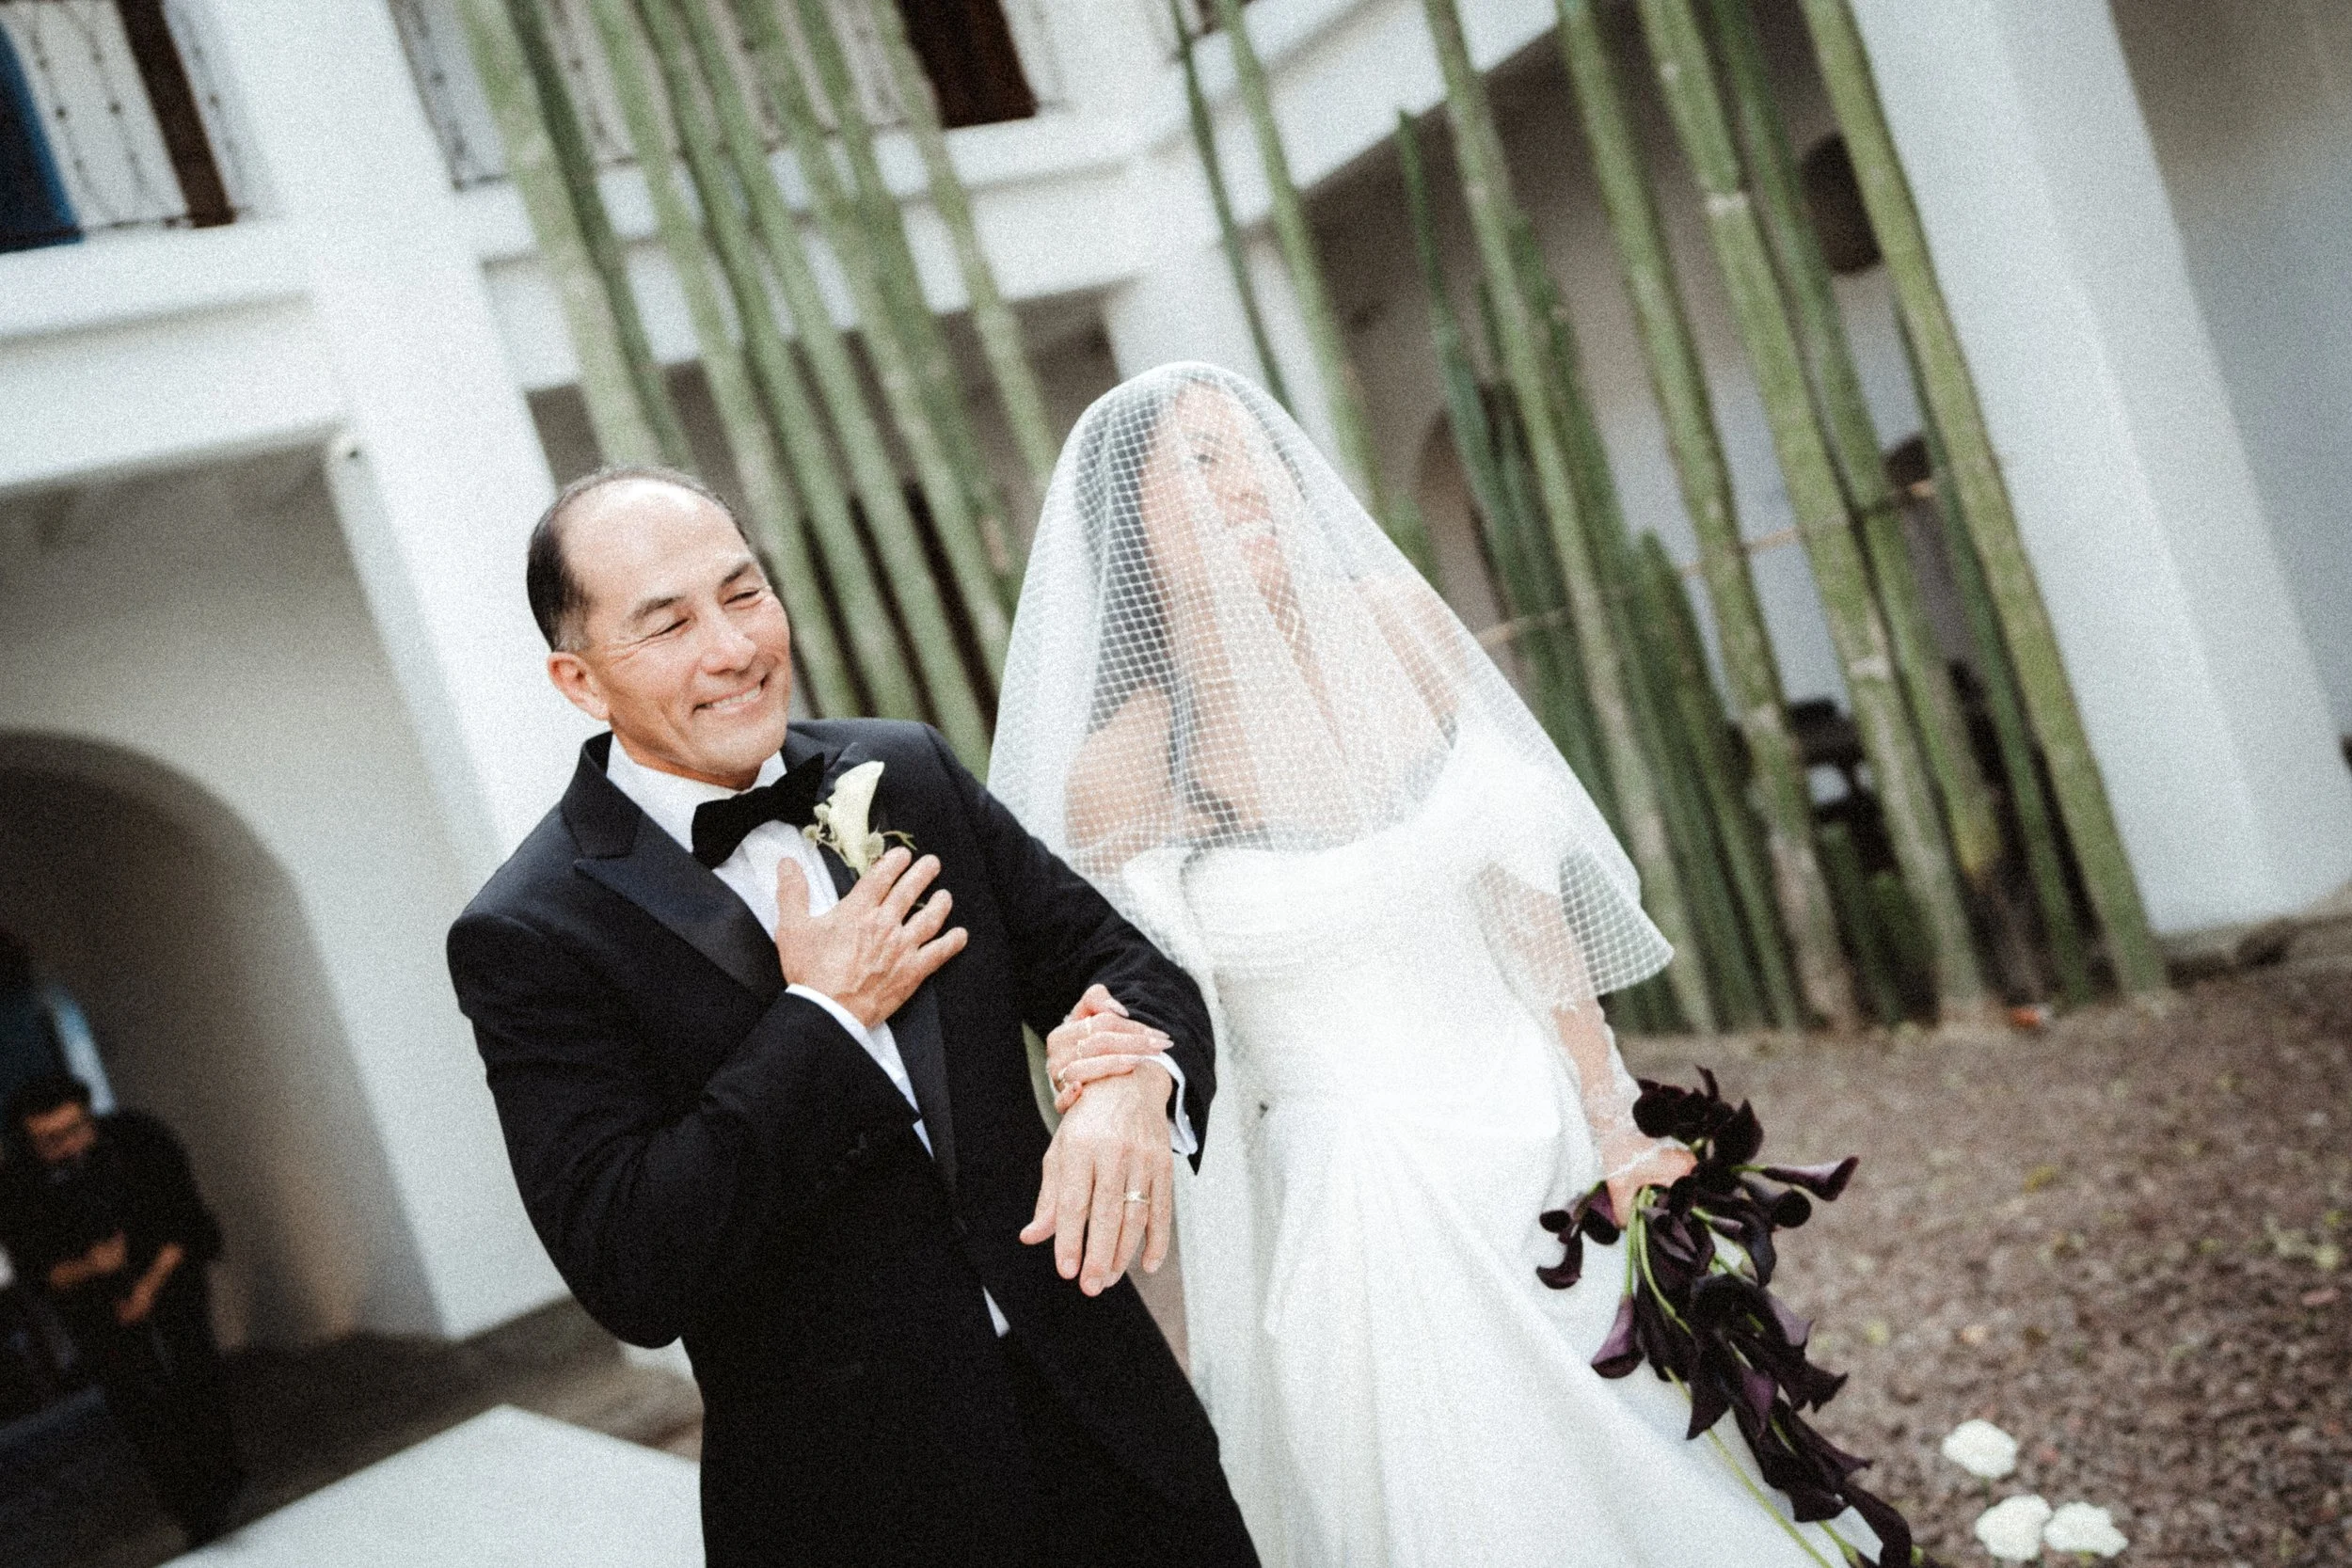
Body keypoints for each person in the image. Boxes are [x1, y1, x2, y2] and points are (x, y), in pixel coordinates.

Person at [988, 363, 1878, 1567]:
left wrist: (1610, 1115)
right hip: (1363, 1206)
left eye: (1250, 449)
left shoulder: (1396, 633)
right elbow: (1123, 995)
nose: (1246, 480)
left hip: (1539, 1139)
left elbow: (1522, 890)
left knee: (1666, 1466)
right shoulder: (1119, 771)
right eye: (1199, 463)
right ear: (1131, 526)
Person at [445, 467, 1259, 1568]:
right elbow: (629, 1260)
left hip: (1118, 1435)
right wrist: (825, 1015)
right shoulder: (530, 929)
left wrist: (1129, 1083)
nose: (733, 647)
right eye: (668, 623)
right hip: (859, 1507)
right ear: (580, 680)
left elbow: (1118, 961)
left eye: (743, 593)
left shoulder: (904, 771)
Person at [0, 1071, 243, 1544]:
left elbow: (184, 1218)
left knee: (195, 1369)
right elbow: (38, 1274)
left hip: (168, 1269)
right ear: (28, 1141)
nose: (69, 1146)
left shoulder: (139, 1139)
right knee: (137, 1399)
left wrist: (148, 1287)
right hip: (89, 1301)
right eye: (50, 1141)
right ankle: (193, 1511)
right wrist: (91, 1267)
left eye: (75, 1130)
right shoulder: (17, 1187)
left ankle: (223, 1475)